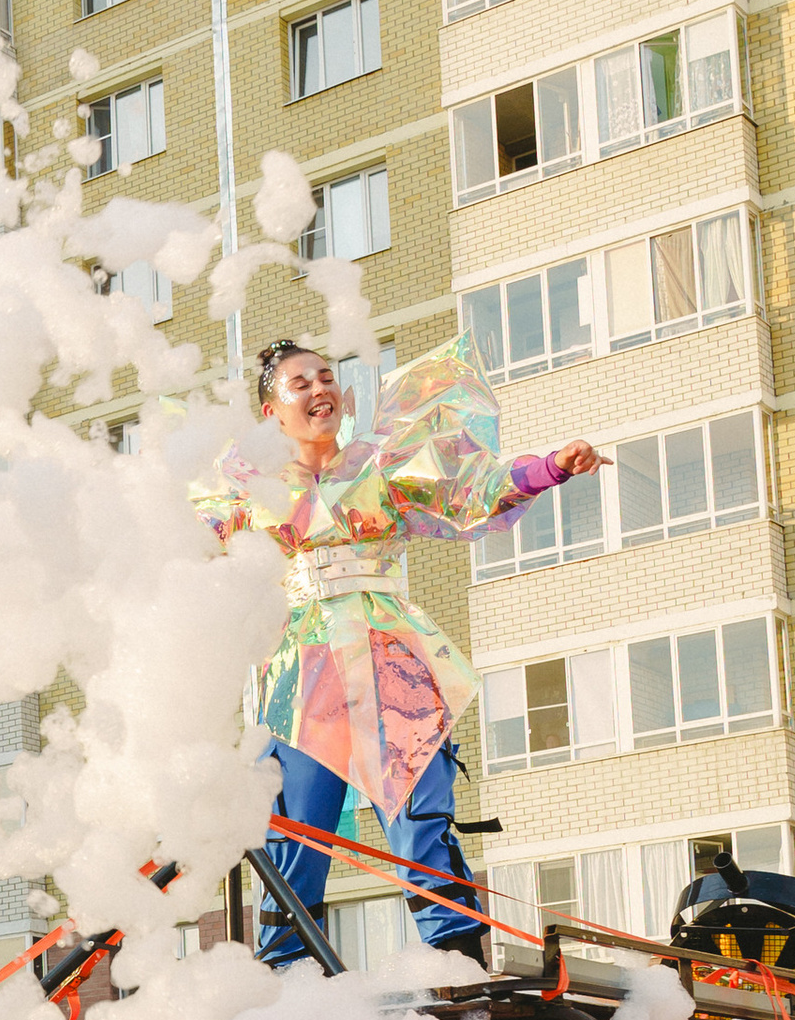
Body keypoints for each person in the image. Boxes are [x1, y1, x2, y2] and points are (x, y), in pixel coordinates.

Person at [193, 336, 597, 968]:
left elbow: (471, 491)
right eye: (300, 383)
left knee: (419, 813)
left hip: (391, 658)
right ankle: (290, 977)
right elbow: (180, 543)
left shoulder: (381, 463)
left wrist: (550, 467)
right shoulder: (251, 490)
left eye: (327, 377)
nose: (320, 389)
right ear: (273, 411)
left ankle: (458, 967)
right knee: (296, 828)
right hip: (302, 670)